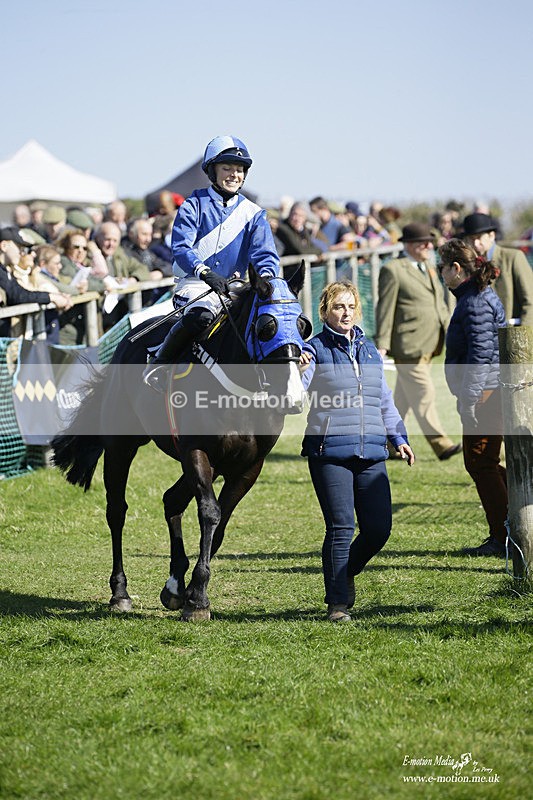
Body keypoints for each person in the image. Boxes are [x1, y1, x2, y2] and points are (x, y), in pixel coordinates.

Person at [300, 281, 414, 622]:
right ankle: (337, 604)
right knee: (341, 527)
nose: (345, 312)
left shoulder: (370, 351)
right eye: (338, 307)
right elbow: (294, 397)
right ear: (324, 312)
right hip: (330, 451)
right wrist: (297, 370)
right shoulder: (314, 350)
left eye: (350, 306)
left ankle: (346, 571)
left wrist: (399, 438)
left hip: (372, 451)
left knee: (379, 529)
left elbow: (383, 400)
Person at [143, 135, 280, 392]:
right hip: (196, 286)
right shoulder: (193, 205)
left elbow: (265, 256)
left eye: (239, 170)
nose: (234, 175)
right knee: (201, 317)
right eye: (227, 168)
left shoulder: (254, 213)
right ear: (212, 171)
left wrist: (268, 280)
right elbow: (181, 248)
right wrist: (205, 272)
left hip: (237, 289)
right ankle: (160, 365)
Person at [438, 238, 508, 557]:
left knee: (481, 463)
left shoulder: (475, 301)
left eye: (442, 267)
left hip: (487, 393)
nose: (440, 273)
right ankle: (510, 527)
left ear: (456, 268)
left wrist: (469, 397)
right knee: (484, 463)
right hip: (488, 391)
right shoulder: (472, 296)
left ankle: (504, 535)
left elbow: (480, 355)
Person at [374, 222, 462, 461]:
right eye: (423, 243)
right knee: (424, 393)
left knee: (402, 400)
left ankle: (388, 443)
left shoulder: (429, 266)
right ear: (409, 245)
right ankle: (441, 444)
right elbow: (385, 308)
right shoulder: (393, 269)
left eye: (430, 242)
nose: (428, 246)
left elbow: (437, 302)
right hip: (408, 346)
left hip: (429, 344)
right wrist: (382, 344)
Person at [461, 212, 533, 326]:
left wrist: (522, 339)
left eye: (479, 237)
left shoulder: (513, 257)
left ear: (492, 236)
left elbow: (530, 301)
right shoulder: (468, 266)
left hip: (511, 335)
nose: (475, 243)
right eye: (471, 239)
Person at [0, 227, 71, 337]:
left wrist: (53, 296)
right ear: (4, 246)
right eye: (19, 248)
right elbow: (18, 296)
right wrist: (52, 297)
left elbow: (20, 292)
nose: (21, 253)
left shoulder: (4, 270)